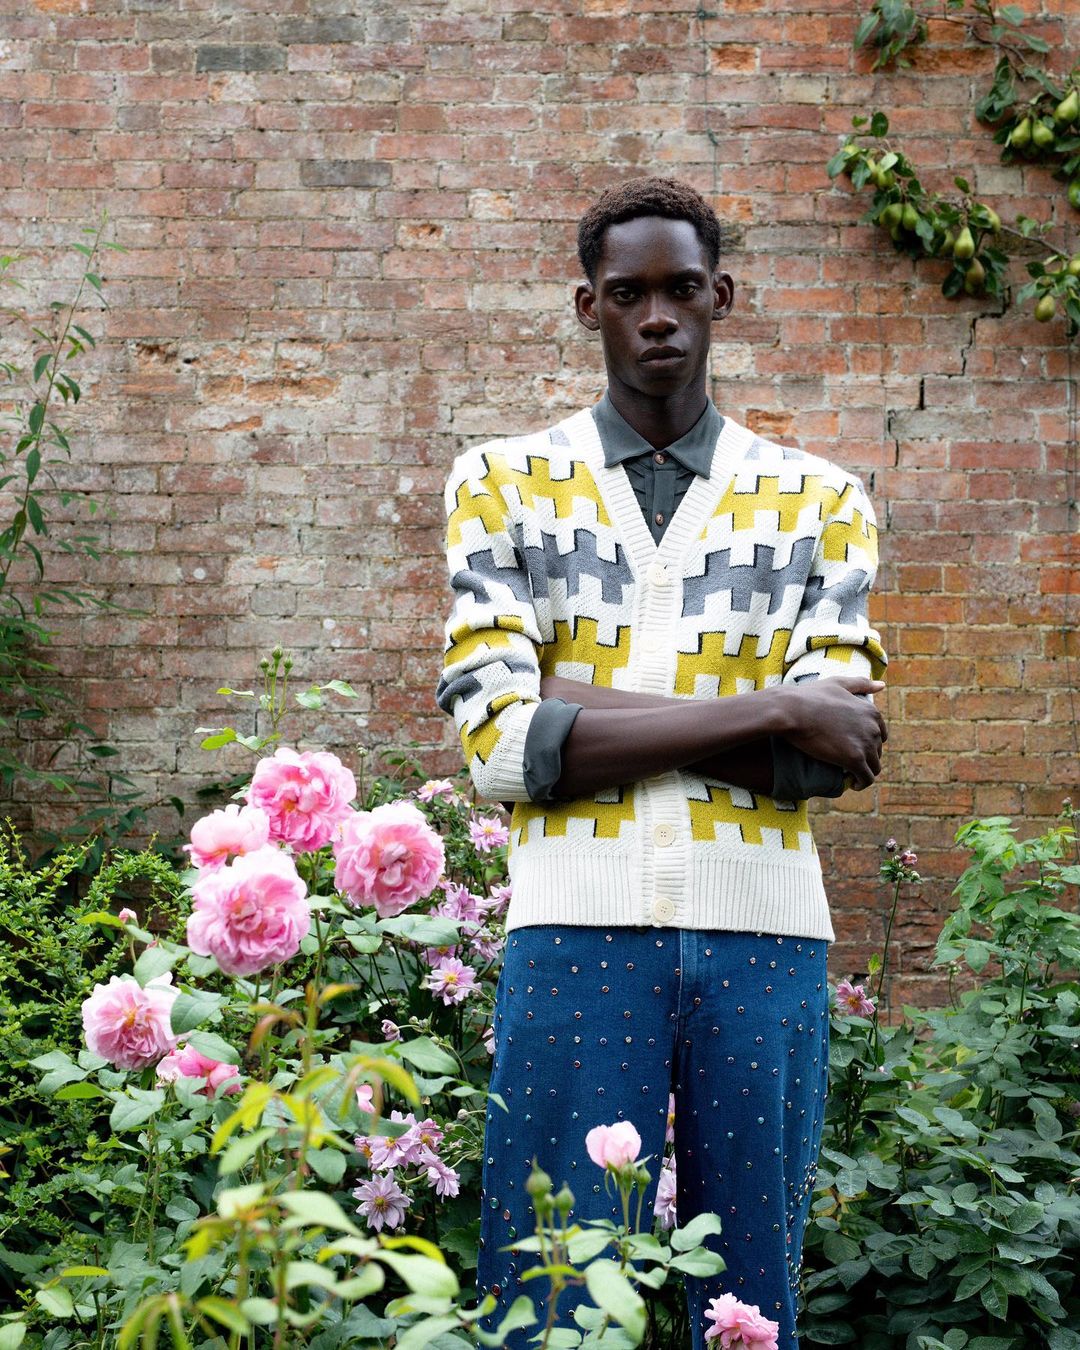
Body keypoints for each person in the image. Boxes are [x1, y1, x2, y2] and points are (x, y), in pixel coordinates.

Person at [436, 176, 887, 1348]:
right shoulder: (502, 482)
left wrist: (579, 712)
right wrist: (774, 706)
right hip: (572, 930)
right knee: (549, 1289)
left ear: (719, 296)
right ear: (588, 305)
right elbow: (502, 747)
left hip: (765, 937)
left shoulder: (820, 501)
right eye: (628, 294)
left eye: (681, 289)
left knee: (748, 1306)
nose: (657, 318)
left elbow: (831, 758)